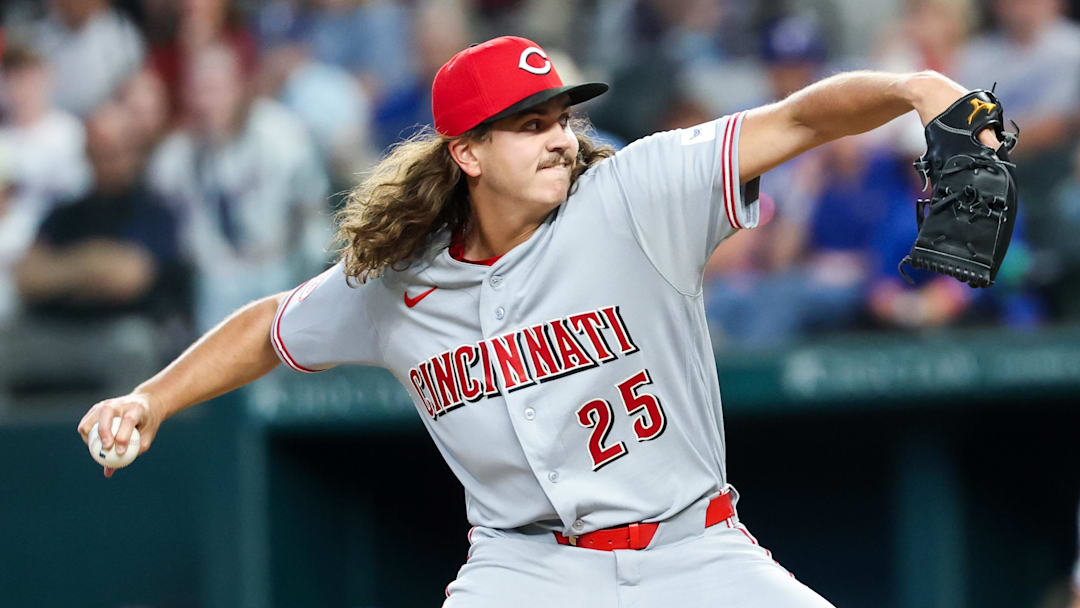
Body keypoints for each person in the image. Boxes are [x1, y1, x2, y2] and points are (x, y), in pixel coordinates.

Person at [77, 36, 1001, 606]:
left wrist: (917, 88)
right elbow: (270, 326)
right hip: (525, 574)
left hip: (692, 553)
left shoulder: (637, 192)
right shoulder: (399, 284)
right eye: (529, 124)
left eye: (560, 114)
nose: (561, 135)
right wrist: (153, 398)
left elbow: (800, 120)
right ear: (469, 152)